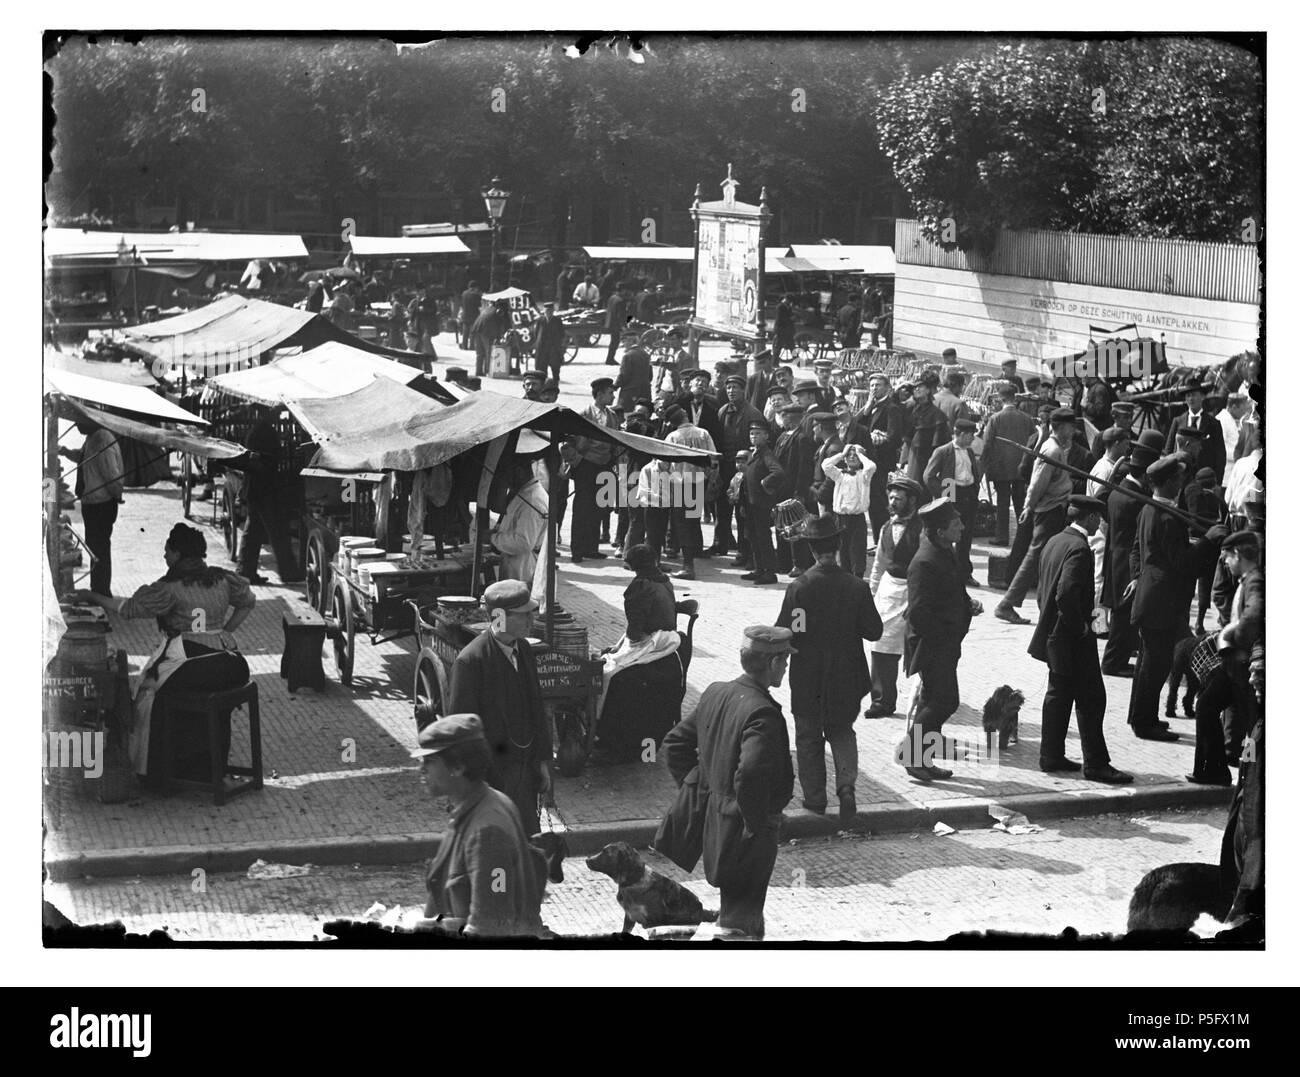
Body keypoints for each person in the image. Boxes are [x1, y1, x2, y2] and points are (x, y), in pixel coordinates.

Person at [72, 523, 253, 785]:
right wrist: (224, 630)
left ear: (178, 554)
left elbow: (128, 608)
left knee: (147, 693)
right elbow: (248, 602)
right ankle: (205, 765)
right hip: (231, 665)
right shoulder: (222, 578)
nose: (164, 556)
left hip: (194, 665)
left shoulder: (169, 588)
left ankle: (159, 771)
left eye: (167, 551)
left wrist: (92, 596)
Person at [660, 625, 797, 938]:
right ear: (773, 664)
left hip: (718, 824)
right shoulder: (763, 712)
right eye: (785, 660)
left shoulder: (716, 692)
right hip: (748, 831)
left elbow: (674, 745)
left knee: (738, 908)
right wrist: (754, 821)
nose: (787, 667)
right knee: (739, 920)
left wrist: (700, 791)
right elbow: (749, 772)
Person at [776, 516, 882, 819]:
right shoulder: (856, 587)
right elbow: (873, 631)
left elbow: (790, 631)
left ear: (811, 550)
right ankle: (846, 787)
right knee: (842, 731)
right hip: (847, 676)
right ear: (838, 547)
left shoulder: (800, 588)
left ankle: (815, 799)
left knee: (808, 738)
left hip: (809, 677)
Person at [413, 713, 548, 938]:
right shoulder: (482, 804)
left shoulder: (488, 832)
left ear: (457, 767)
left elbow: (489, 931)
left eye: (430, 760)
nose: (421, 769)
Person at [1028, 496, 1133, 783]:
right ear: (1089, 518)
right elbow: (1065, 593)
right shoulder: (1079, 549)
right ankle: (1096, 764)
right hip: (1072, 637)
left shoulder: (1055, 541)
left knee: (1058, 694)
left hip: (1053, 634)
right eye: (1097, 518)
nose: (1099, 523)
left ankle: (1050, 755)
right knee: (1091, 699)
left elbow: (1044, 589)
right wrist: (1080, 628)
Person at [1125, 454, 1221, 742]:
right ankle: (1145, 724)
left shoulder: (1149, 509)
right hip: (1162, 601)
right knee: (1157, 665)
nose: (1182, 483)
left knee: (1147, 662)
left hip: (1151, 596)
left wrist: (1137, 577)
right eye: (1178, 479)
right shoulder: (1166, 516)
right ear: (1167, 483)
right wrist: (1208, 540)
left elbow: (1137, 550)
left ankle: (1142, 716)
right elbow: (1181, 562)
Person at [445, 580, 553, 835]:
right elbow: (462, 734)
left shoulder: (524, 649)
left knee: (527, 845)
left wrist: (542, 762)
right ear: (499, 618)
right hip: (492, 778)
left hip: (524, 772)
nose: (531, 619)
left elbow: (536, 708)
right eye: (524, 614)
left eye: (531, 612)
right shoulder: (471, 661)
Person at [898, 498, 981, 781]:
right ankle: (912, 756)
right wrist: (943, 641)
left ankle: (922, 759)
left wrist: (967, 604)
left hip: (945, 642)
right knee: (944, 701)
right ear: (940, 531)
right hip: (932, 644)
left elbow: (951, 590)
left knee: (934, 701)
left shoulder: (945, 550)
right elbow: (918, 612)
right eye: (956, 524)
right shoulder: (924, 561)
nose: (962, 527)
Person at [593, 545, 685, 763]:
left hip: (651, 644)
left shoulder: (639, 587)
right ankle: (639, 747)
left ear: (631, 565)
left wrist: (620, 647)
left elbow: (635, 632)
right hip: (669, 643)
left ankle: (611, 739)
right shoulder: (665, 581)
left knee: (609, 673)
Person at [1188, 530, 1262, 785]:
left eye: (1227, 558)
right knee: (1208, 706)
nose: (1226, 564)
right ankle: (1213, 769)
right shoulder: (1247, 579)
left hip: (1246, 667)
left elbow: (1254, 617)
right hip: (1234, 667)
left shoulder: (1255, 582)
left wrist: (1230, 636)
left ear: (1239, 555)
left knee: (1252, 725)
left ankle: (1250, 775)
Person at [994, 407, 1077, 624]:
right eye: (1071, 426)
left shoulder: (1058, 448)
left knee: (1043, 556)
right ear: (1062, 427)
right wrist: (1028, 507)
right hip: (1049, 510)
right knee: (1034, 557)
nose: (1074, 431)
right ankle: (1007, 604)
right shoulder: (1052, 451)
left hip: (1054, 508)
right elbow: (1037, 483)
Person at [1100, 430, 1163, 676]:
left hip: (1116, 559)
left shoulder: (1119, 491)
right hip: (1126, 563)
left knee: (1121, 615)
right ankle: (1112, 663)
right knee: (1123, 617)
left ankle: (1117, 659)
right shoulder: (1135, 500)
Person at [865, 474, 925, 718]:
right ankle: (882, 700)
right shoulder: (886, 527)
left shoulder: (923, 530)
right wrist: (872, 591)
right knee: (881, 645)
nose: (893, 502)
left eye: (898, 498)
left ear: (911, 500)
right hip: (889, 592)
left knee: (920, 646)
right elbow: (879, 563)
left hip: (915, 591)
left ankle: (926, 697)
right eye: (891, 497)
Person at [60, 417, 125, 596]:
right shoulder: (92, 437)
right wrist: (65, 452)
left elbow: (111, 476)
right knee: (94, 547)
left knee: (99, 549)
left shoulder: (102, 439)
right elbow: (82, 457)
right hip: (92, 504)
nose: (78, 427)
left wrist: (116, 496)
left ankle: (101, 591)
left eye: (80, 423)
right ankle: (98, 589)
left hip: (101, 505)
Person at [237, 415, 302, 584]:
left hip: (254, 488)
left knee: (253, 532)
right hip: (265, 488)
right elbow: (271, 460)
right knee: (278, 531)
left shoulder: (255, 431)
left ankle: (245, 571)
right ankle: (288, 573)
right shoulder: (266, 432)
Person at [711, 375, 766, 558]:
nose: (731, 391)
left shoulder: (753, 413)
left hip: (744, 468)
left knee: (742, 510)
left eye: (735, 387)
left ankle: (744, 550)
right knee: (722, 506)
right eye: (728, 388)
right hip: (725, 465)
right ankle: (720, 543)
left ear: (743, 390)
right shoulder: (722, 411)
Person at [923, 417, 982, 585]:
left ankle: (965, 573)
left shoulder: (969, 451)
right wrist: (944, 494)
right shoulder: (944, 451)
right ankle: (947, 573)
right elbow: (929, 476)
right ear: (962, 434)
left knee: (966, 535)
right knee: (949, 533)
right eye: (970, 435)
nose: (972, 439)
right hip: (952, 492)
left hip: (968, 494)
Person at [662, 405, 716, 580]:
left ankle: (688, 566)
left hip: (679, 483)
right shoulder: (703, 433)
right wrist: (708, 476)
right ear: (685, 414)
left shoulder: (672, 437)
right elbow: (714, 458)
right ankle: (695, 553)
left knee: (681, 524)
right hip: (698, 482)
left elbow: (664, 464)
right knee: (693, 520)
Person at [980, 381, 1036, 546]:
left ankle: (1002, 537)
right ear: (1015, 399)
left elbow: (987, 444)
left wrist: (983, 467)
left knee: (1002, 503)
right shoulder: (1026, 419)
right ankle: (1024, 537)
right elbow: (1034, 442)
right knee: (1020, 502)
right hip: (1021, 468)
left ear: (1000, 399)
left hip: (1000, 468)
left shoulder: (995, 418)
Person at [821, 443, 875, 578]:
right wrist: (842, 454)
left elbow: (871, 466)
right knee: (842, 550)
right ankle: (843, 577)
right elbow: (825, 466)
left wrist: (861, 454)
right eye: (849, 455)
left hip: (857, 519)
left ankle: (858, 578)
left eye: (855, 455)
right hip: (840, 518)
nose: (852, 457)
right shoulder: (839, 475)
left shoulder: (864, 476)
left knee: (858, 550)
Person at [742, 419, 785, 586]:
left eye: (758, 434)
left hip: (761, 504)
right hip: (751, 503)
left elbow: (779, 473)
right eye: (752, 434)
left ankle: (770, 572)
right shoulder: (755, 453)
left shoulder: (767, 454)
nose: (754, 436)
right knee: (754, 536)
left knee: (763, 537)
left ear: (766, 436)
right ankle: (759, 569)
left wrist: (765, 483)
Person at [492, 459, 549, 584]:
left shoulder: (533, 500)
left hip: (524, 571)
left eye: (507, 475)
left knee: (519, 601)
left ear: (519, 472)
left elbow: (523, 543)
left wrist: (493, 538)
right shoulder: (522, 493)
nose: (505, 480)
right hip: (517, 568)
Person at [1166, 383, 1227, 484]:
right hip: (1180, 480)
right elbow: (1168, 450)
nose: (1191, 399)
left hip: (1203, 480)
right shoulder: (1177, 421)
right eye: (1188, 396)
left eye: (1194, 395)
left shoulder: (1213, 424)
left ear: (1202, 397)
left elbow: (1220, 455)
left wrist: (1217, 482)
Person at [902, 378, 949, 483]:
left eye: (920, 386)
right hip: (914, 454)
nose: (917, 389)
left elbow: (938, 443)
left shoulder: (937, 414)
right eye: (915, 388)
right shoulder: (911, 409)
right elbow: (907, 435)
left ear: (928, 391)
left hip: (927, 455)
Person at [613, 328, 652, 414]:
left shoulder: (628, 356)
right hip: (645, 392)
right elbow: (650, 375)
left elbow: (623, 375)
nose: (624, 344)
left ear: (630, 341)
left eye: (624, 341)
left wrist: (615, 386)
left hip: (629, 393)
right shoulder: (646, 354)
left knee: (625, 416)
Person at [533, 300, 567, 382]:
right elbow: (536, 333)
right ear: (544, 311)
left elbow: (562, 334)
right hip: (542, 348)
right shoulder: (540, 320)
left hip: (554, 348)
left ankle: (555, 385)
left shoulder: (557, 320)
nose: (549, 313)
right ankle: (543, 386)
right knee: (541, 369)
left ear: (553, 311)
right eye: (547, 311)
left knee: (555, 369)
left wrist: (561, 346)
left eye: (550, 311)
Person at [470, 299, 503, 378]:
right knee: (488, 351)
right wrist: (499, 337)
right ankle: (488, 370)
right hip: (486, 331)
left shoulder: (488, 308)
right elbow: (499, 325)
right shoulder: (498, 311)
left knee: (480, 353)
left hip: (477, 329)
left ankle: (478, 371)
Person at [604, 285, 630, 365]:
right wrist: (623, 326)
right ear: (622, 290)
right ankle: (610, 359)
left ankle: (609, 358)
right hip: (616, 324)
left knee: (613, 342)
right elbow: (620, 315)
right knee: (615, 342)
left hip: (610, 322)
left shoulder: (612, 297)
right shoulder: (620, 301)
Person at [459, 279, 483, 350]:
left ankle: (464, 346)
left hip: (465, 314)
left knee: (465, 332)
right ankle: (472, 346)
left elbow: (462, 304)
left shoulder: (464, 293)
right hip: (473, 315)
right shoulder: (475, 295)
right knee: (472, 332)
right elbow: (479, 305)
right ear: (475, 287)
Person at [773, 295, 796, 362]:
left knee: (792, 346)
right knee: (778, 347)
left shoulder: (787, 307)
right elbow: (780, 319)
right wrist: (790, 319)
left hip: (787, 331)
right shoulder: (780, 307)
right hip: (781, 330)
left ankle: (798, 362)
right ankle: (774, 362)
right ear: (786, 299)